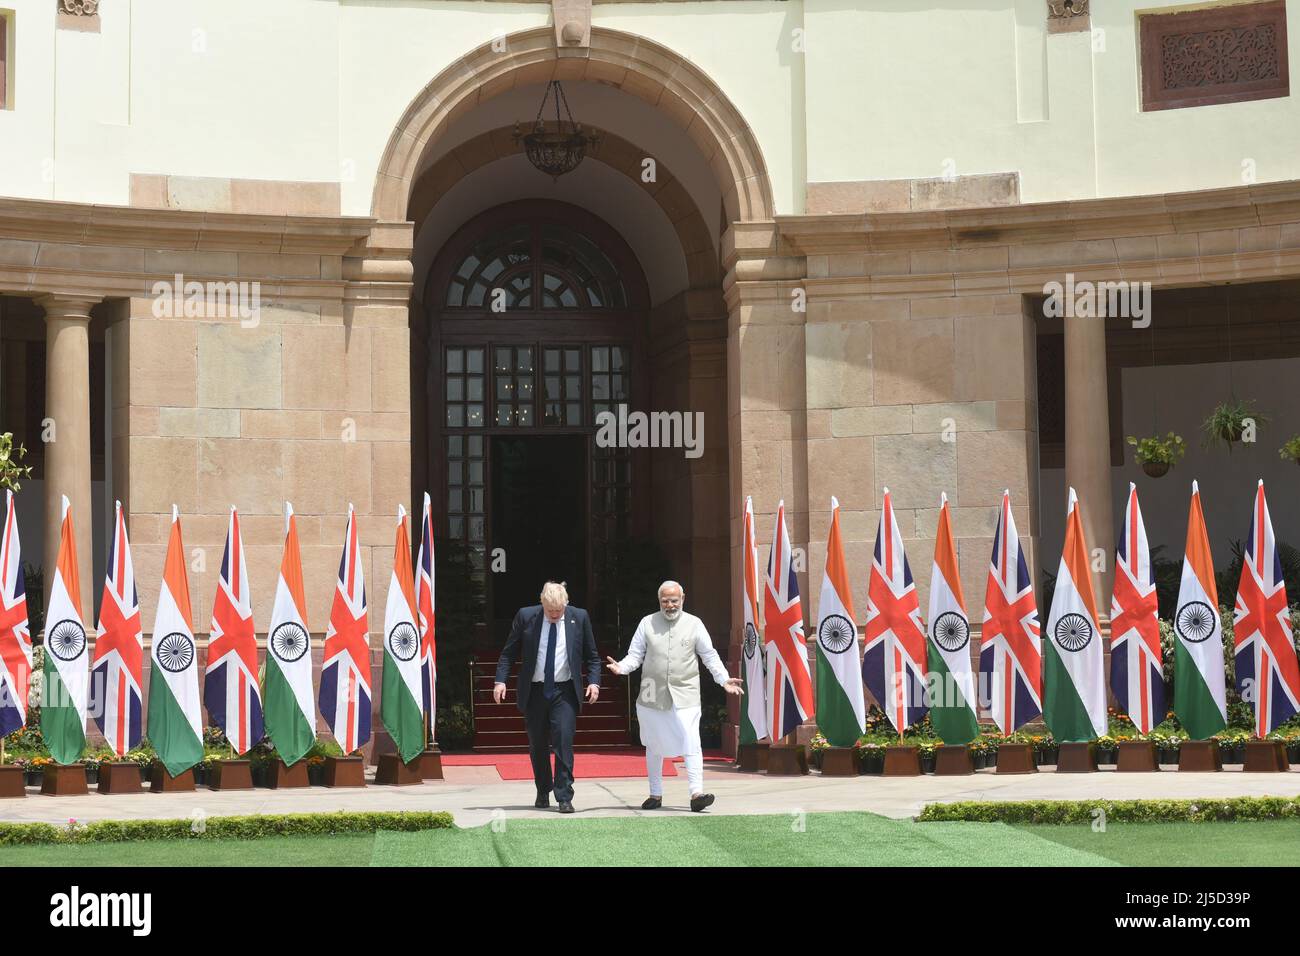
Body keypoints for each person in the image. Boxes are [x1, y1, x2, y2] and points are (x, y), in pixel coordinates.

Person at [607, 581, 742, 812]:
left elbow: (709, 655)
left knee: (692, 740)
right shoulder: (647, 623)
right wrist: (622, 668)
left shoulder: (694, 623)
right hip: (652, 694)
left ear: (683, 599)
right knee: (653, 743)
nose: (670, 605)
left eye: (674, 601)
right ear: (659, 601)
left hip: (685, 693)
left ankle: (696, 793)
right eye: (665, 601)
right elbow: (635, 655)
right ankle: (655, 794)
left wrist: (723, 679)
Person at [494, 581, 600, 813]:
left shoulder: (579, 617)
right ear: (541, 602)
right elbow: (508, 652)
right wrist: (500, 681)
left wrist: (594, 682)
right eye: (549, 610)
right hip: (535, 691)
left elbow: (592, 655)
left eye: (558, 610)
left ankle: (564, 796)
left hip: (564, 690)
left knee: (563, 740)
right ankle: (543, 790)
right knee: (538, 744)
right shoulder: (526, 616)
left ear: (566, 604)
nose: (553, 615)